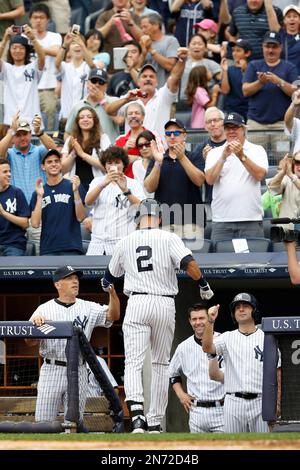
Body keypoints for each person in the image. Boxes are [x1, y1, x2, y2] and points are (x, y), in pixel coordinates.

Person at [101, 198, 214, 433]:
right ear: (159, 218)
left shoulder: (126, 240)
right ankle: (154, 421)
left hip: (138, 301)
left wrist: (110, 288)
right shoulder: (169, 237)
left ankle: (137, 416)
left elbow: (108, 278)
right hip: (164, 303)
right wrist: (203, 284)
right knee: (161, 364)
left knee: (133, 361)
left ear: (138, 218)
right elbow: (188, 263)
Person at [27, 265, 120, 424]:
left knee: (74, 423)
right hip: (52, 368)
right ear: (57, 284)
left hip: (79, 369)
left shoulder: (88, 306)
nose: (75, 281)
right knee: (43, 421)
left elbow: (113, 315)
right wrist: (35, 327)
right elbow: (29, 342)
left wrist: (112, 293)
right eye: (69, 278)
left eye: (76, 278)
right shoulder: (44, 309)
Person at [202, 292, 269, 433]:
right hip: (234, 401)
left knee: (263, 446)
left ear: (254, 310)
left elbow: (277, 371)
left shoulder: (267, 337)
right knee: (233, 446)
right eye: (237, 307)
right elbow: (207, 347)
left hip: (260, 400)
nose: (241, 309)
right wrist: (210, 321)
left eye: (245, 306)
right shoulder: (227, 337)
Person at [205, 111, 268, 242]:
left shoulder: (257, 150)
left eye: (235, 127)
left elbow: (259, 175)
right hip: (222, 220)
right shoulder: (215, 153)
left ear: (244, 129)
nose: (231, 131)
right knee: (221, 262)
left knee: (253, 261)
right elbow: (210, 180)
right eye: (228, 128)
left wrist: (241, 156)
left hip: (250, 219)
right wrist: (223, 157)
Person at [144, 118, 206, 240]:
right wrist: (158, 163)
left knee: (194, 257)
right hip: (165, 221)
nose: (172, 136)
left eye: (176, 133)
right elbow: (149, 188)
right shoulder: (158, 158)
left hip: (192, 221)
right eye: (168, 133)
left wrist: (182, 157)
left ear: (184, 135)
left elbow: (199, 181)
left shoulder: (195, 156)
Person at [169, 302, 225, 433]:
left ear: (209, 318)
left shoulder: (223, 340)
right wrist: (181, 394)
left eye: (201, 318)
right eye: (194, 319)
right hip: (196, 411)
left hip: (221, 409)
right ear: (189, 321)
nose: (198, 322)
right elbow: (173, 374)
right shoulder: (183, 347)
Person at [85, 145, 145, 256]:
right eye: (109, 163)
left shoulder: (133, 184)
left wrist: (126, 190)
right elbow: (88, 202)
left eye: (117, 162)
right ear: (105, 165)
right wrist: (102, 184)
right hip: (97, 244)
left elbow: (142, 208)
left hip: (122, 244)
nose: (113, 166)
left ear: (123, 164)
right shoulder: (97, 181)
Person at [30, 149, 86, 256]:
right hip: (48, 248)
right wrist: (40, 197)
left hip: (71, 247)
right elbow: (35, 224)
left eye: (56, 161)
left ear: (61, 165)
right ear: (43, 167)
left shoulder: (73, 186)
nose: (54, 164)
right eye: (49, 162)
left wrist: (75, 192)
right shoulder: (38, 192)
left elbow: (81, 217)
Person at [242, 31, 297, 130]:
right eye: (267, 46)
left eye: (274, 47)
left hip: (282, 122)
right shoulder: (253, 65)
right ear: (262, 47)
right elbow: (245, 91)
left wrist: (279, 82)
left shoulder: (290, 67)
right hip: (256, 123)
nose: (270, 50)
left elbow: (296, 94)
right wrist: (260, 83)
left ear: (281, 47)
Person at [61, 106, 110, 191]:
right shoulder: (70, 139)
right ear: (77, 122)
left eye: (89, 117)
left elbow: (107, 166)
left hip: (98, 186)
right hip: (75, 187)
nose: (85, 119)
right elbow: (63, 169)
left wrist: (82, 154)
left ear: (94, 120)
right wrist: (73, 153)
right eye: (81, 117)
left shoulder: (103, 138)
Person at [0, 158, 30, 256]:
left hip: (14, 244)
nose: (9, 174)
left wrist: (3, 213)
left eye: (9, 171)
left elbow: (25, 223)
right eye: (5, 172)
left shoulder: (17, 192)